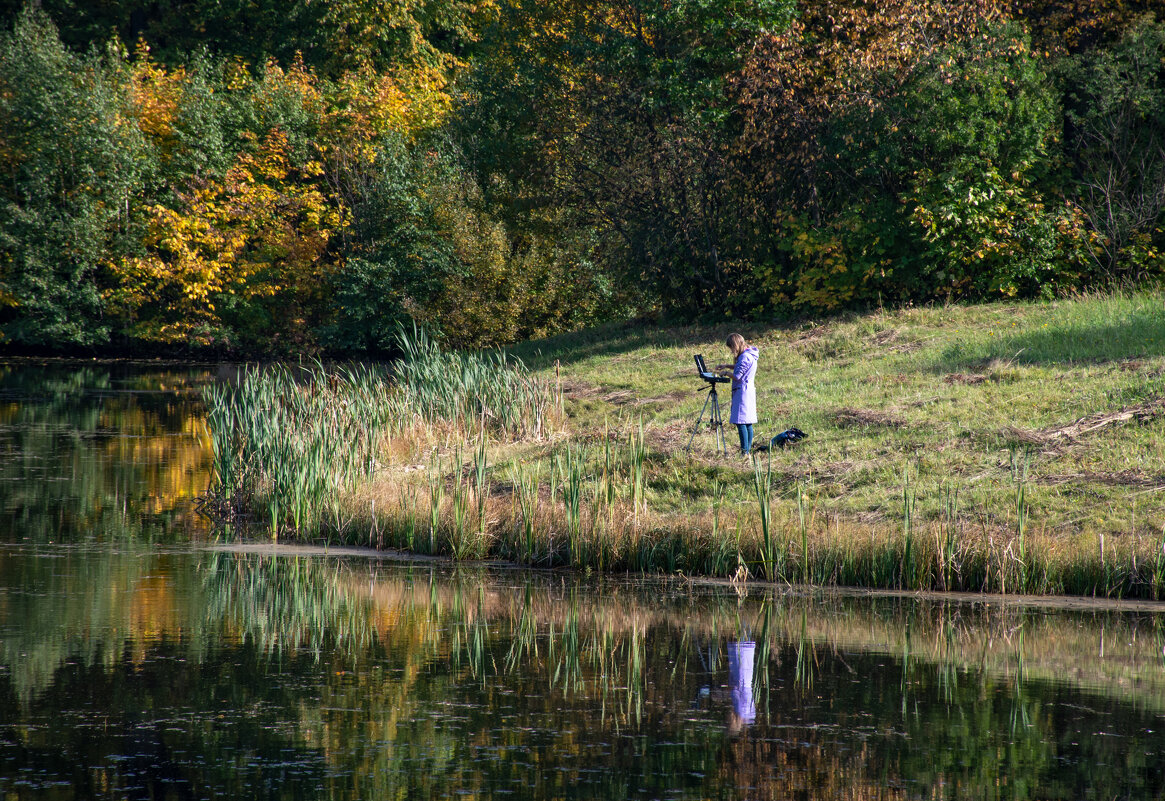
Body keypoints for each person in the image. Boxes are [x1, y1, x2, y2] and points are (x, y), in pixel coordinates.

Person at [720, 333, 758, 455]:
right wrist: (726, 365)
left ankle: (744, 451)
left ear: (735, 345)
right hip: (747, 390)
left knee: (741, 421)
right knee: (747, 422)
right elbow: (740, 367)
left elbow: (737, 376)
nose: (731, 351)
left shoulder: (745, 357)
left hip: (742, 392)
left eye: (731, 347)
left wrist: (725, 373)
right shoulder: (749, 354)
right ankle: (747, 450)